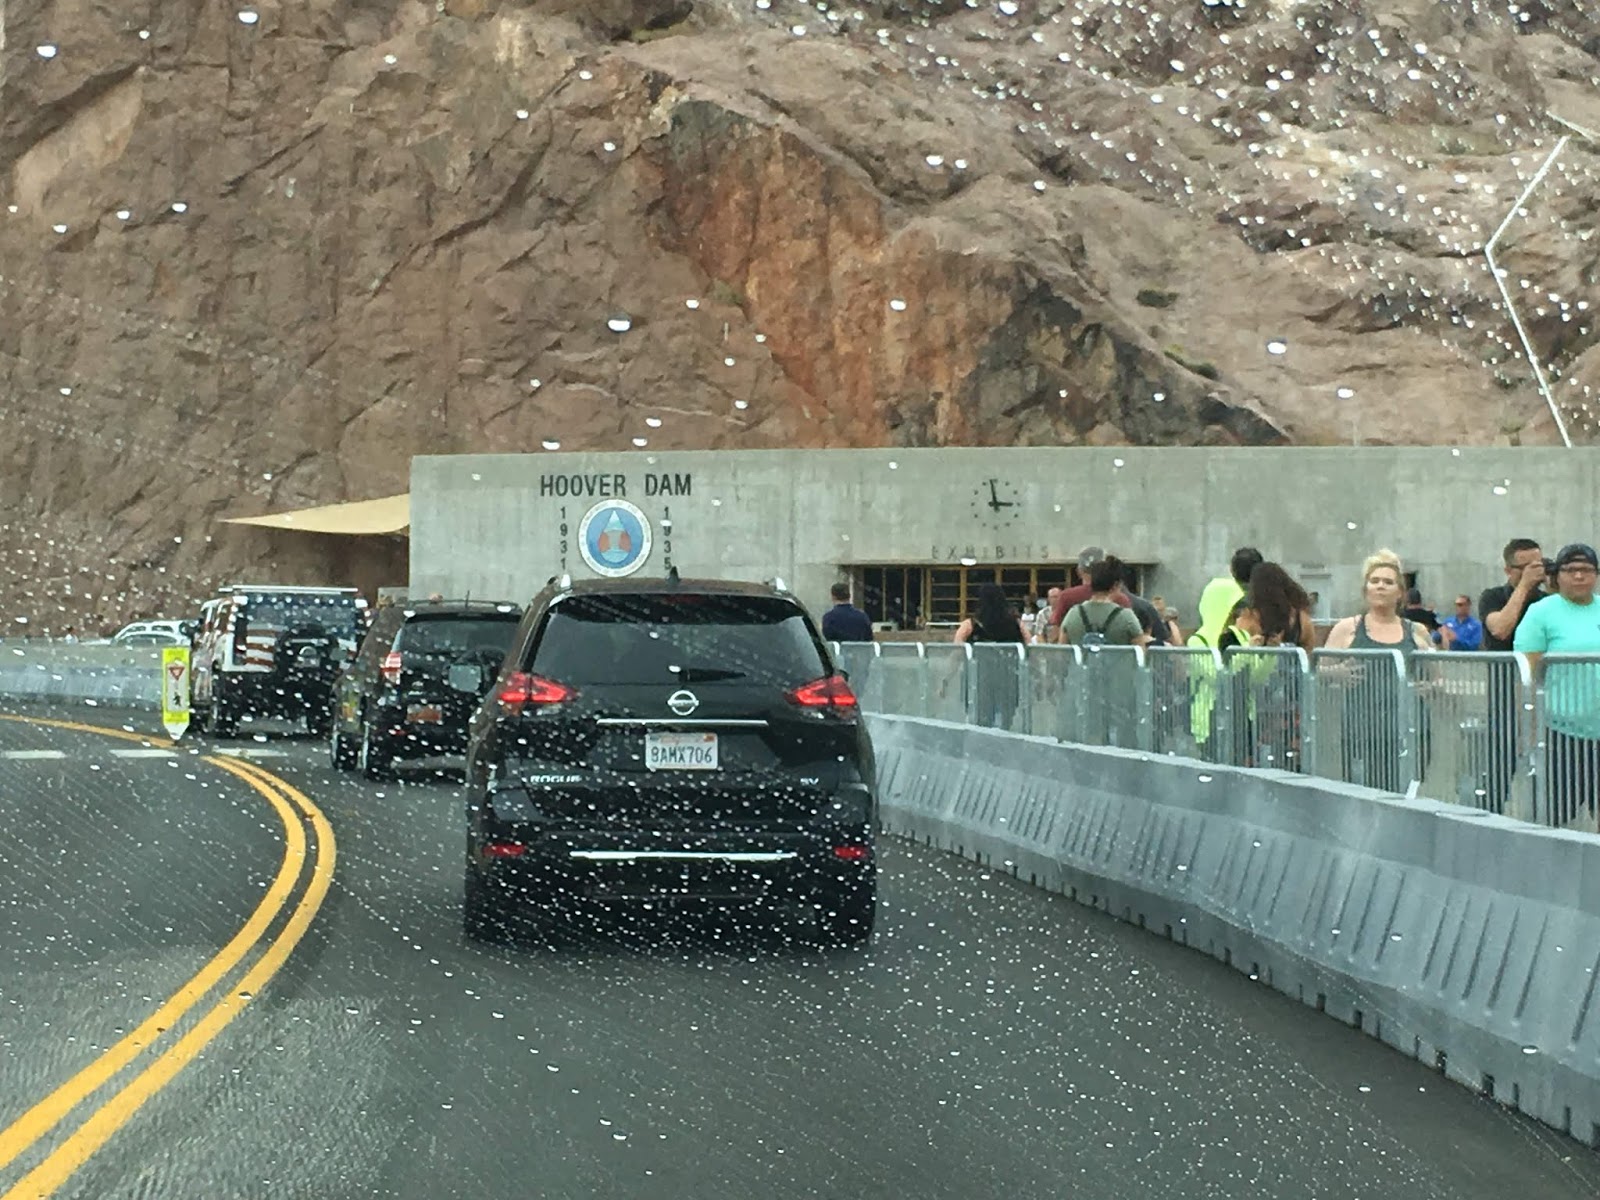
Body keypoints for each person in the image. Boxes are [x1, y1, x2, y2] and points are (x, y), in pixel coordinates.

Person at [1322, 549, 1434, 793]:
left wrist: (1430, 687)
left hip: (1409, 732)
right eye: (1374, 581)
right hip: (1361, 732)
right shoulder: (1347, 629)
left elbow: (1439, 678)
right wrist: (1336, 672)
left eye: (1388, 582)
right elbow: (1317, 670)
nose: (1381, 586)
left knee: (1404, 796)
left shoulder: (1416, 631)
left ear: (1400, 592)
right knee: (1364, 797)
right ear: (1365, 589)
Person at [1513, 543, 1600, 828]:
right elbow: (1526, 676)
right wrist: (1529, 735)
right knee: (1553, 820)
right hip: (1562, 736)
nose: (1579, 576)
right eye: (1570, 570)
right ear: (1557, 575)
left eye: (1586, 569)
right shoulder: (1541, 613)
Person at [952, 582, 1028, 729]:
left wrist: (945, 680)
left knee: (981, 718)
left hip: (978, 679)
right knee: (1006, 719)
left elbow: (955, 654)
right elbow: (1030, 645)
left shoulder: (970, 625)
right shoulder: (1016, 624)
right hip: (1008, 678)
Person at [1481, 538, 1551, 652]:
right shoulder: (1492, 596)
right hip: (1504, 662)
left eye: (1537, 566)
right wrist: (1524, 585)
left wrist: (1553, 585)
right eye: (1525, 567)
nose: (1533, 572)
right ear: (1508, 570)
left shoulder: (1547, 599)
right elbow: (1500, 630)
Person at [1189, 547, 1263, 649]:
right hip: (1242, 651)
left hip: (1204, 648)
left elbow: (1202, 619)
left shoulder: (1213, 588)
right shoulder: (1261, 596)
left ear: (1231, 569)